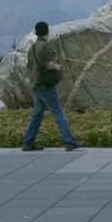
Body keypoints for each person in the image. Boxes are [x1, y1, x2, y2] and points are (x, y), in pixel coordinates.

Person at [21, 22, 84, 151]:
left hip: (35, 85)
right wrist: (57, 66)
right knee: (58, 112)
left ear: (36, 32)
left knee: (37, 114)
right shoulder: (46, 47)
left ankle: (28, 142)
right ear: (47, 32)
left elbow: (29, 66)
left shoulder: (32, 47)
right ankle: (70, 142)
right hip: (45, 86)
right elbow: (49, 65)